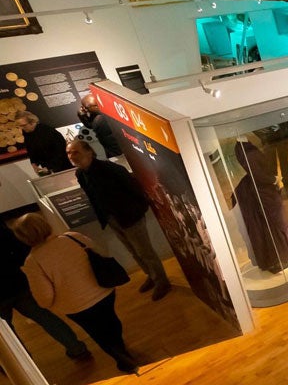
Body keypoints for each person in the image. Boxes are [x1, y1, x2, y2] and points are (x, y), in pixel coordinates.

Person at [13, 213, 138, 374]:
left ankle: (123, 358)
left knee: (97, 332)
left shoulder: (33, 262)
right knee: (111, 320)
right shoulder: (73, 237)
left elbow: (44, 297)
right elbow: (99, 253)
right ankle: (121, 347)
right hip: (102, 291)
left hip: (76, 306)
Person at [67, 139, 170, 300]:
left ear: (88, 151)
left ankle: (162, 281)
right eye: (69, 153)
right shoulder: (81, 174)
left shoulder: (110, 169)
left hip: (130, 216)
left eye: (75, 152)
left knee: (145, 251)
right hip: (112, 218)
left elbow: (135, 189)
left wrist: (138, 210)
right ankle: (152, 275)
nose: (71, 156)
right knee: (134, 251)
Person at [2, 218, 91, 361]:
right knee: (45, 317)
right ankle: (76, 348)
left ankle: (24, 365)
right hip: (18, 283)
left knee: (6, 336)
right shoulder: (4, 230)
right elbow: (19, 247)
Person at [15, 111, 71, 175]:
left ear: (32, 122)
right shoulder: (27, 134)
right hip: (47, 168)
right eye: (20, 126)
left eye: (24, 125)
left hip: (63, 167)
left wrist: (50, 167)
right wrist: (34, 164)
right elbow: (30, 150)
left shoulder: (48, 131)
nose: (21, 128)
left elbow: (61, 151)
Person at [77, 94, 122, 158]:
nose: (85, 110)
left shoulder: (99, 120)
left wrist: (82, 116)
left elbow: (91, 125)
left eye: (86, 107)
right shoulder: (102, 115)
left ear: (96, 106)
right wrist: (81, 116)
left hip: (115, 152)